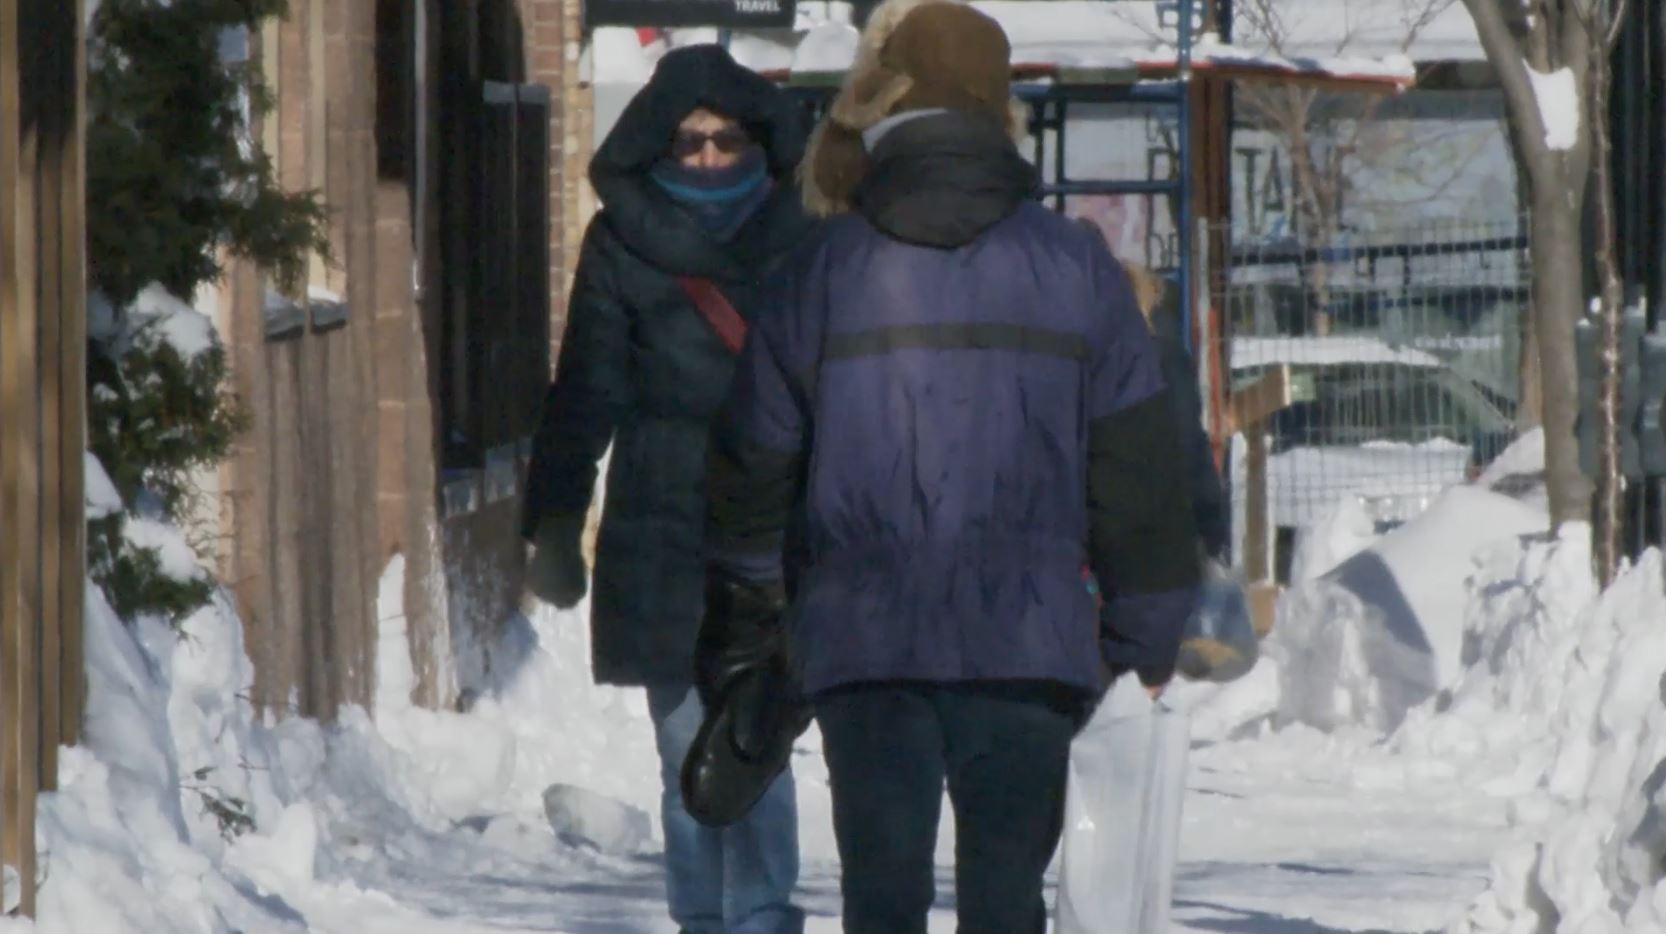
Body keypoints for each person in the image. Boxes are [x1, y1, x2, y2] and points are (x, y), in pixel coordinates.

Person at [698, 1, 1203, 931]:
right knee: (1007, 898)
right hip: (1029, 641)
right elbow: (1138, 469)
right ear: (998, 109)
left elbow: (753, 465)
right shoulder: (1078, 269)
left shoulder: (822, 269)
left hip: (863, 639)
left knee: (881, 897)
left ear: (885, 107)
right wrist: (1144, 637)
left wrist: (750, 618)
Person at [521, 44, 815, 934]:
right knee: (687, 756)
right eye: (689, 143)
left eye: (728, 140)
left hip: (780, 528)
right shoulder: (622, 243)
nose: (711, 159)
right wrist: (557, 522)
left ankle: (762, 920)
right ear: (657, 146)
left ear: (761, 140)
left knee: (756, 746)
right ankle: (706, 922)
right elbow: (586, 389)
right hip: (662, 531)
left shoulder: (806, 236)